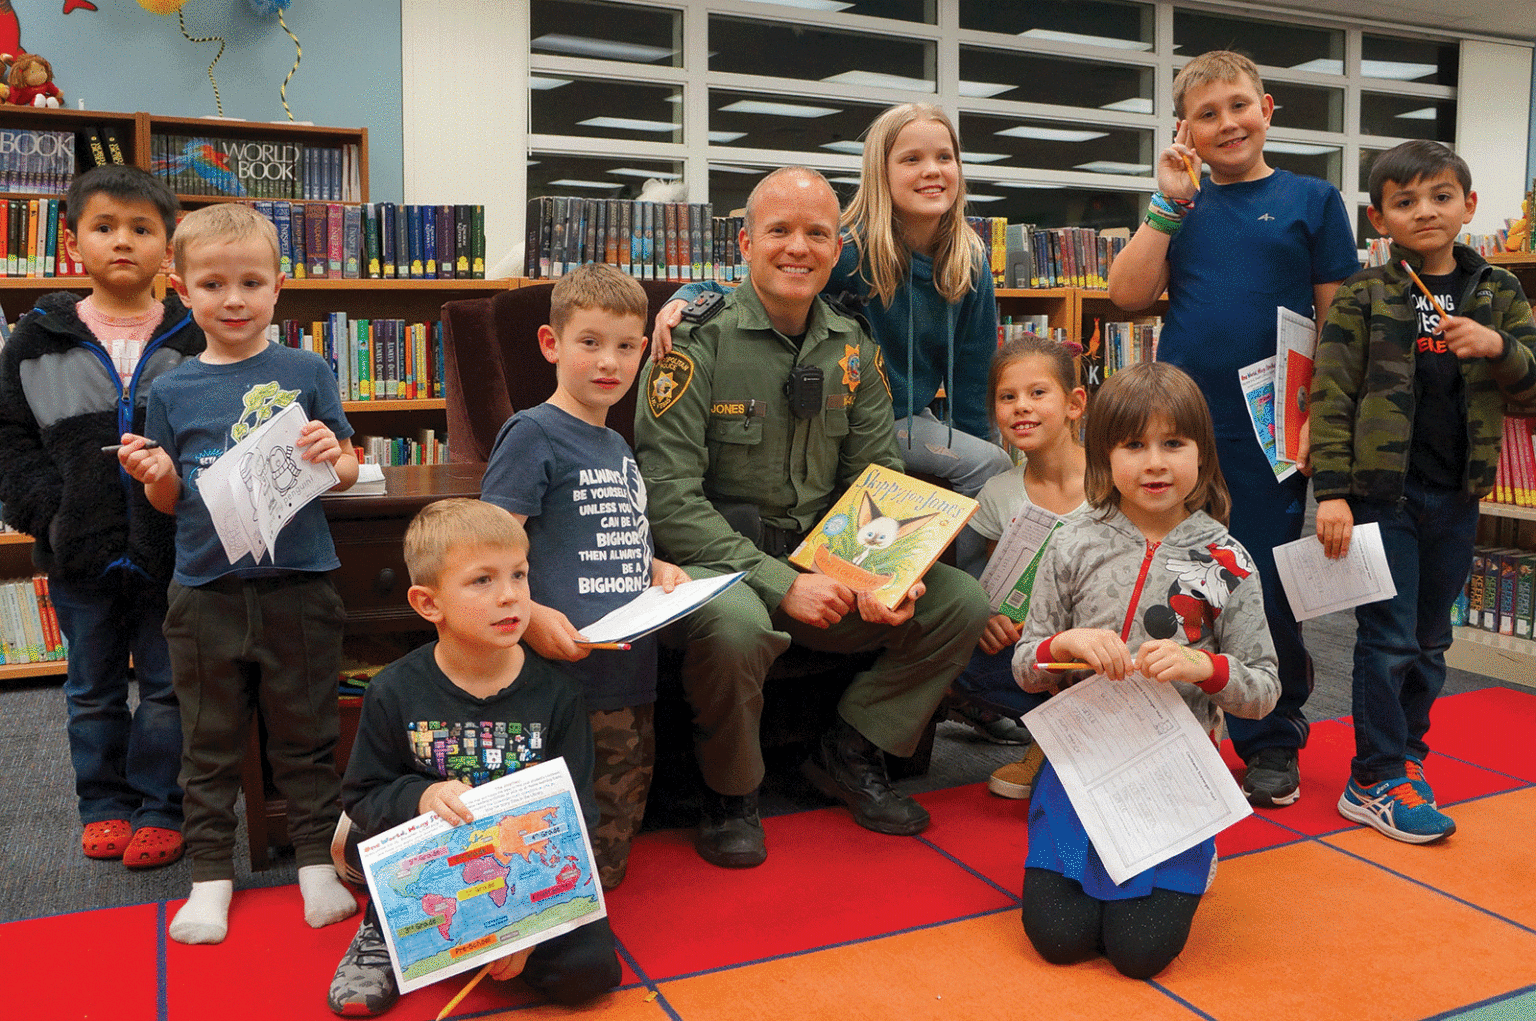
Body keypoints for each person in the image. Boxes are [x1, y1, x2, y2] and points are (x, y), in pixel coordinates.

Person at [633, 166, 991, 869]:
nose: (798, 247)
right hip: (720, 569)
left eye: (816, 234)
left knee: (961, 602)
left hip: (823, 565)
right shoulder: (692, 343)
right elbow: (669, 498)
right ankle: (731, 794)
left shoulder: (853, 347)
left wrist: (882, 571)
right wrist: (779, 581)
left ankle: (850, 748)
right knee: (738, 626)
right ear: (744, 242)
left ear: (836, 249)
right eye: (779, 231)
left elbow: (875, 483)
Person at [652, 102, 1021, 741]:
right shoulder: (844, 245)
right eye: (911, 158)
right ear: (879, 172)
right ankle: (732, 793)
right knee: (983, 467)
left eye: (945, 157)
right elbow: (761, 268)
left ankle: (890, 719)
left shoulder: (967, 259)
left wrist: (890, 572)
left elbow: (970, 386)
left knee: (983, 484)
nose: (931, 170)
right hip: (838, 426)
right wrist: (687, 298)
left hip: (890, 420)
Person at [1106, 50, 1360, 808]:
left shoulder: (1313, 201)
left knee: (1261, 582)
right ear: (1185, 128)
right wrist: (1166, 204)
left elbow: (1338, 325)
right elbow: (1125, 294)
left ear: (1268, 108)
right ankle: (1175, 727)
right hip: (1180, 426)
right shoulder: (1180, 206)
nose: (1227, 123)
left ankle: (1271, 735)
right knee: (1170, 577)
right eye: (1207, 114)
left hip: (1272, 429)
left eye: (1239, 106)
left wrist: (1323, 421)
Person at [117, 202, 361, 945]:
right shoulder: (173, 388)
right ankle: (210, 876)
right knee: (209, 738)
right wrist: (155, 472)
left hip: (300, 584)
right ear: (180, 289)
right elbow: (166, 499)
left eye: (251, 282)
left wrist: (334, 456)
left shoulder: (306, 369)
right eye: (213, 284)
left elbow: (348, 469)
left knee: (308, 728)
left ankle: (317, 861)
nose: (233, 299)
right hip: (205, 592)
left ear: (278, 289)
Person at [1012, 361, 1279, 979]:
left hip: (1174, 776)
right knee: (1060, 940)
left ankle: (1195, 857)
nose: (1154, 463)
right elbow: (1026, 666)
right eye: (1133, 445)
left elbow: (1264, 691)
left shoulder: (1228, 560)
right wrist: (1063, 645)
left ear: (1203, 455)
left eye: (1173, 444)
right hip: (1081, 768)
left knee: (1138, 955)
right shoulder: (1073, 540)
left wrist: (1204, 666)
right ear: (1103, 457)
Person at [1311, 140, 1536, 844]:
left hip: (1459, 494)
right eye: (1404, 202)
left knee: (1432, 639)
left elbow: (1531, 393)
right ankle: (1373, 777)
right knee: (1388, 638)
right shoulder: (1366, 293)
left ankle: (1408, 754)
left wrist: (1501, 350)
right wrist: (1334, 492)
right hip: (1384, 498)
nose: (1425, 211)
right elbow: (1331, 394)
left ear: (1469, 206)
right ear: (1381, 219)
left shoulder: (1498, 291)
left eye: (1441, 196)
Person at [326, 500, 621, 1016]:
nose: (510, 595)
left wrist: (528, 929)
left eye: (519, 575)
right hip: (429, 873)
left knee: (590, 974)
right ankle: (382, 924)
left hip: (523, 874)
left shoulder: (559, 697)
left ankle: (489, 941)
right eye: (482, 580)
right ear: (428, 603)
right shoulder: (393, 691)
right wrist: (421, 795)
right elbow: (362, 796)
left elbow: (580, 817)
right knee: (393, 885)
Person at [0, 165, 201, 869]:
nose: (124, 242)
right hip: (77, 550)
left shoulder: (195, 335)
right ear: (72, 240)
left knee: (169, 687)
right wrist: (48, 514)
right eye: (105, 227)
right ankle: (104, 803)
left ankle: (160, 805)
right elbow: (9, 437)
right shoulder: (36, 340)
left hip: (172, 550)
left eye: (142, 229)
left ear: (166, 246)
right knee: (90, 690)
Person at [480, 262, 688, 889]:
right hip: (557, 675)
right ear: (553, 344)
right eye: (590, 343)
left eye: (627, 347)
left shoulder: (619, 445)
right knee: (541, 846)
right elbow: (487, 550)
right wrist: (532, 616)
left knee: (610, 847)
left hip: (626, 670)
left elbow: (608, 528)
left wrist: (653, 564)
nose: (609, 363)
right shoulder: (533, 433)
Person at [949, 336, 1089, 800]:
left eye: (1037, 393)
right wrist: (987, 617)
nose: (1021, 408)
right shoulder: (998, 492)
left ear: (1074, 404)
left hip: (1108, 642)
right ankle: (1052, 741)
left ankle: (1087, 743)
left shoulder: (1116, 480)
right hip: (1036, 648)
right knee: (950, 652)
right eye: (1007, 397)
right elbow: (984, 578)